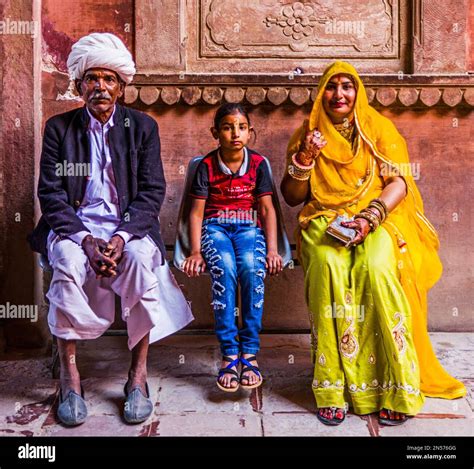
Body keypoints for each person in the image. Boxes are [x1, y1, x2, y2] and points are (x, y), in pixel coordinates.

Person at [280, 61, 466, 426]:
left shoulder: (377, 128)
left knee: (378, 269)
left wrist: (370, 216)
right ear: (321, 93)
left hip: (375, 218)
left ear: (357, 92)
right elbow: (291, 196)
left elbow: (398, 182)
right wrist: (305, 159)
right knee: (328, 270)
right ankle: (333, 388)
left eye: (347, 87)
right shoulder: (307, 133)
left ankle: (395, 386)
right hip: (323, 221)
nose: (339, 95)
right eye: (332, 87)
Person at [28, 32, 193, 426]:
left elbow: (153, 192)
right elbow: (50, 195)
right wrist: (85, 241)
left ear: (121, 86)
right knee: (67, 263)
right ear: (79, 84)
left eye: (108, 79)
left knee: (138, 261)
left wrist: (120, 238)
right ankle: (70, 376)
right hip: (75, 228)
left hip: (128, 229)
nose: (100, 86)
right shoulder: (59, 129)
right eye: (92, 78)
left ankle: (137, 375)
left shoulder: (141, 128)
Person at [182, 103, 283, 392]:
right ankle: (229, 353)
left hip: (249, 228)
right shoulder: (207, 166)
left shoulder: (259, 164)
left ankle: (249, 352)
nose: (234, 133)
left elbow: (267, 210)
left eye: (240, 127)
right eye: (227, 127)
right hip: (215, 228)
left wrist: (273, 250)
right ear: (216, 132)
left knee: (252, 269)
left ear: (250, 132)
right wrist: (195, 251)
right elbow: (197, 213)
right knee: (224, 270)